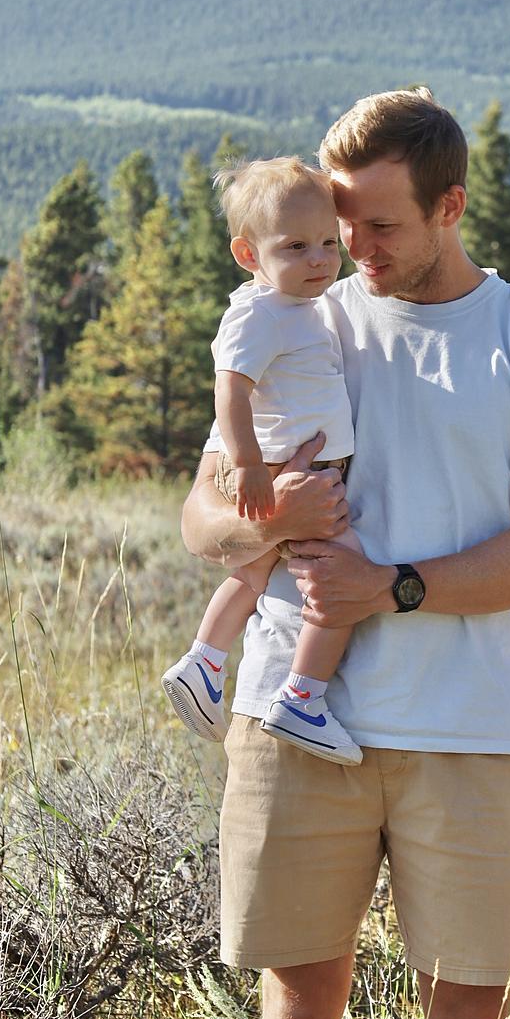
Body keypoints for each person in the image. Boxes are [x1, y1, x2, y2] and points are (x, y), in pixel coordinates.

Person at [181, 87, 510, 1019]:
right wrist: (271, 522)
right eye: (341, 222)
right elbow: (201, 519)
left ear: (450, 206)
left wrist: (389, 587)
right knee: (297, 1018)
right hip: (288, 719)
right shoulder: (295, 320)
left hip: (466, 729)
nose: (350, 247)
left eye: (381, 225)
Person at [162, 157, 365, 763]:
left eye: (328, 243)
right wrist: (248, 465)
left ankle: (204, 661)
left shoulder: (298, 307)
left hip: (287, 467)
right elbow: (230, 387)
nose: (319, 259)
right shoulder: (259, 313)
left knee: (254, 573)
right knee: (342, 580)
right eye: (296, 246)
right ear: (248, 254)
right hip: (284, 472)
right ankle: (302, 698)